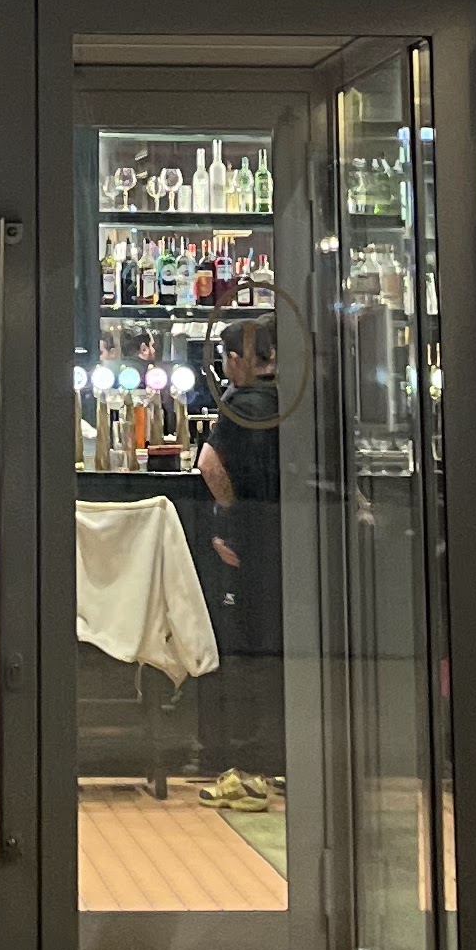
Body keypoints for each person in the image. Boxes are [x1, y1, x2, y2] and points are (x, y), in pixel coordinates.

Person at [192, 317, 287, 807]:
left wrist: (229, 514)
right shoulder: (295, 399)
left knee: (246, 651)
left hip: (249, 538)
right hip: (292, 536)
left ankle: (246, 768)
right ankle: (282, 762)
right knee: (284, 649)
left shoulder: (238, 405)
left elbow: (209, 465)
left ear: (235, 360)